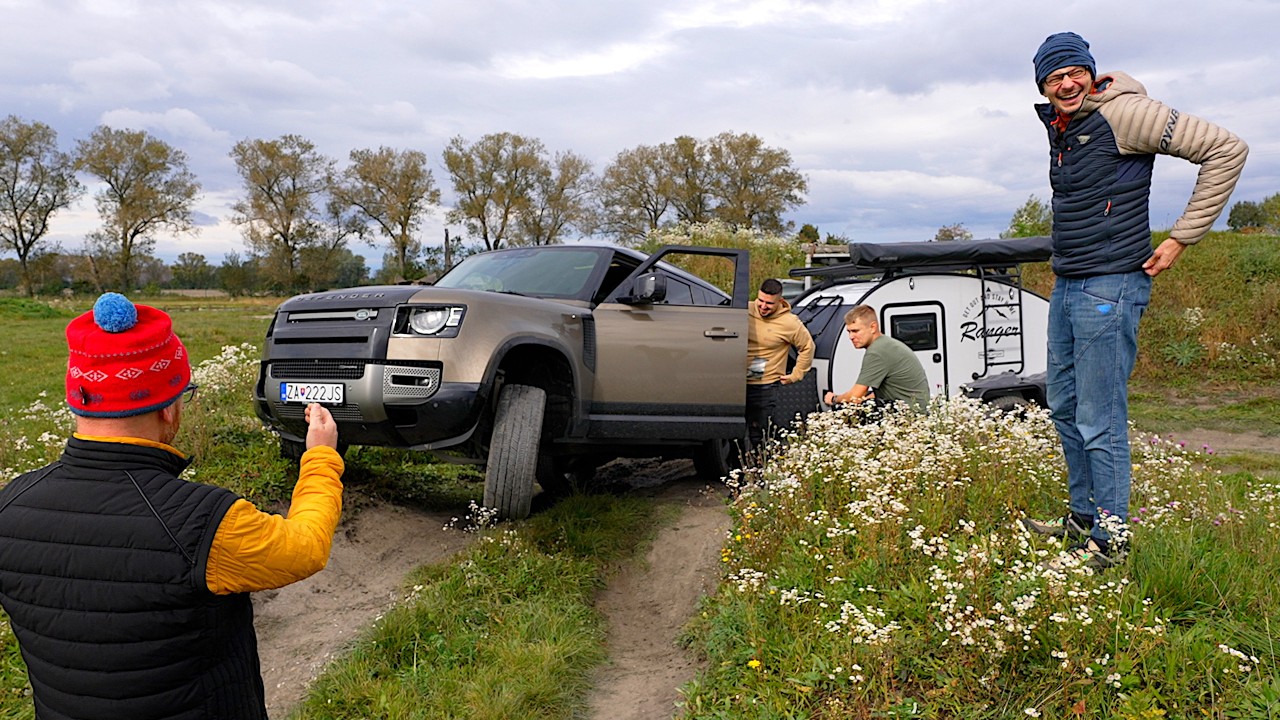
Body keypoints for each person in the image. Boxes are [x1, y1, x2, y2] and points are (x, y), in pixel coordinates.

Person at [0, 293, 345, 719]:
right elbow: (306, 546)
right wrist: (321, 457)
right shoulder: (204, 523)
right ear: (168, 407)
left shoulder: (9, 508)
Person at [1021, 32, 1248, 570]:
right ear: (1043, 87)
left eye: (1075, 71)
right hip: (1070, 281)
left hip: (1110, 286)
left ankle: (1112, 541)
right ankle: (1081, 522)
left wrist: (1182, 237)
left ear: (1091, 72)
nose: (1067, 83)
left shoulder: (1126, 113)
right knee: (1066, 408)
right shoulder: (1065, 125)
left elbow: (1227, 148)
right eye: (1055, 78)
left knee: (1101, 417)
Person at [746, 278, 815, 453]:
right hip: (734, 381)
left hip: (763, 383)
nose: (763, 307)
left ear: (780, 301)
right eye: (760, 301)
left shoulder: (790, 323)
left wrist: (796, 374)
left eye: (769, 304)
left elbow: (807, 347)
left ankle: (761, 471)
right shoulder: (745, 310)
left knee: (758, 433)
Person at [823, 305, 930, 413]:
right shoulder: (885, 344)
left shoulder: (877, 351)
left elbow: (854, 397)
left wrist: (834, 399)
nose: (851, 336)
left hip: (910, 417)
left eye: (855, 331)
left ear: (873, 327)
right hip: (912, 410)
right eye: (849, 331)